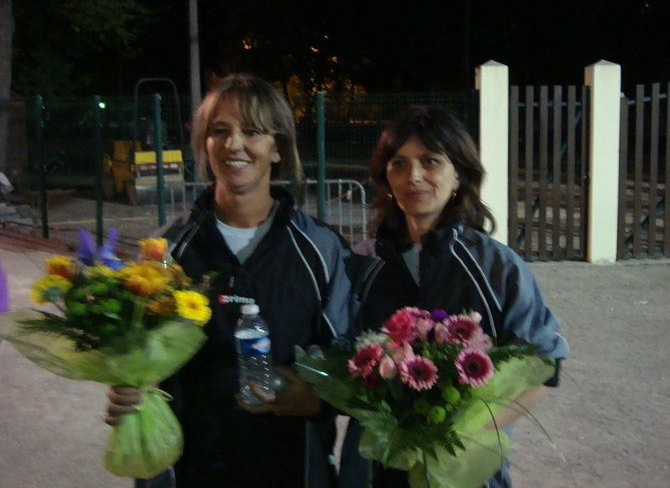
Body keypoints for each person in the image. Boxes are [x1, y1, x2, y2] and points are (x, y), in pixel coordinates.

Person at [106, 73, 360, 488]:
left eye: (253, 131)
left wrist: (316, 397)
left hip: (293, 469)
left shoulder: (321, 250)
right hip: (194, 470)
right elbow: (140, 357)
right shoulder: (169, 250)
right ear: (205, 145)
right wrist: (127, 390)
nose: (233, 144)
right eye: (219, 131)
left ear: (278, 148)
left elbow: (348, 361)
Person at [338, 105, 569, 488]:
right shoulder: (362, 264)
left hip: (465, 470)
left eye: (430, 161)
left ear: (459, 174)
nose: (413, 176)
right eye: (398, 164)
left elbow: (543, 367)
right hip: (375, 471)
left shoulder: (496, 268)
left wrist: (456, 434)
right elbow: (338, 359)